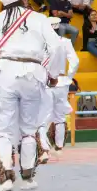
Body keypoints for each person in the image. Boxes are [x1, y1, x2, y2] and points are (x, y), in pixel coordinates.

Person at [0, 0, 64, 191]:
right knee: (28, 128)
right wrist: (54, 73)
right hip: (33, 72)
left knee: (3, 128)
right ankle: (28, 176)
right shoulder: (39, 19)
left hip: (5, 71)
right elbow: (57, 47)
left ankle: (5, 176)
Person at [38, 16, 80, 159]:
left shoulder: (41, 43)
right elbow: (75, 61)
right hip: (62, 81)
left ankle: (44, 148)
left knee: (43, 115)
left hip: (46, 81)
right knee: (60, 115)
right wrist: (69, 76)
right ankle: (59, 146)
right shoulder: (65, 42)